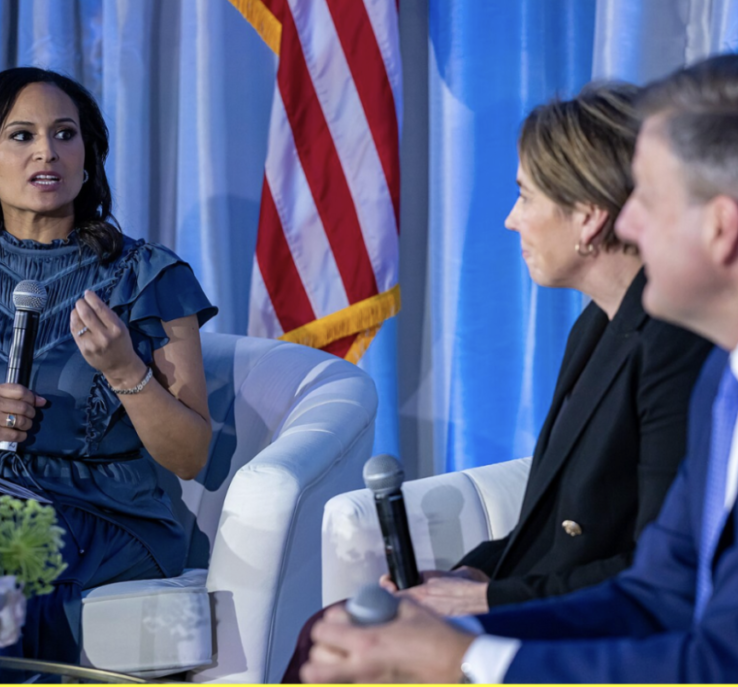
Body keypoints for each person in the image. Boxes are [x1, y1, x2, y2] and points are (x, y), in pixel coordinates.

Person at [301, 49, 738, 683]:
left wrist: (468, 660)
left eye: (648, 200)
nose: (627, 221)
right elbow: (656, 595)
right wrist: (449, 636)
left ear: (723, 228)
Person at [281, 83, 711, 680]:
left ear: (587, 217)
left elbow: (658, 572)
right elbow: (550, 516)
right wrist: (469, 575)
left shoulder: (678, 346)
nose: (511, 221)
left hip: (599, 629)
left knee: (342, 644)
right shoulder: (595, 324)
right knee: (329, 627)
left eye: (525, 198)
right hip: (541, 597)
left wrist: (484, 601)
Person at [0, 68, 216, 664]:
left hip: (99, 513)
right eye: (21, 135)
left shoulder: (148, 275)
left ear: (88, 158)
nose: (47, 151)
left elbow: (191, 456)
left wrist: (124, 373)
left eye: (65, 133)